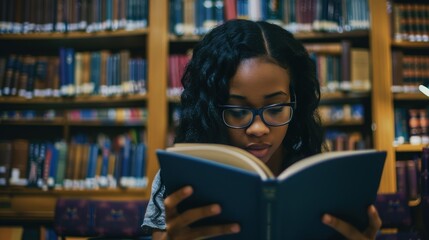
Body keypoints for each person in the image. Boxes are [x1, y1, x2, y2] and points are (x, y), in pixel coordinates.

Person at [142, 19, 381, 239]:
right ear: (212, 109)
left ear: (296, 104)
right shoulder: (179, 178)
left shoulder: (321, 176)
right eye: (237, 111)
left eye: (276, 108)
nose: (258, 128)